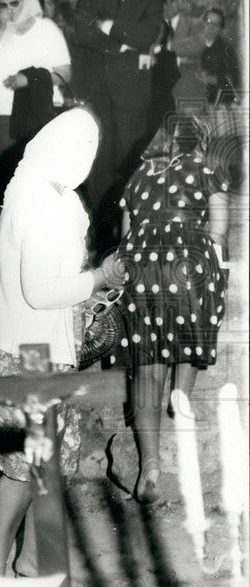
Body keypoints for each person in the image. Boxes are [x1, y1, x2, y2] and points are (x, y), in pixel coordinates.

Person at [0, 108, 126, 577]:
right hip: (27, 352)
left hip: (31, 344)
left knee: (43, 466)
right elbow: (40, 293)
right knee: (25, 468)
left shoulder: (45, 188)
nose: (87, 157)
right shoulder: (41, 204)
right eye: (82, 148)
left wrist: (94, 283)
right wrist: (100, 276)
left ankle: (32, 559)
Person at [114, 118, 229, 503]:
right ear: (197, 143)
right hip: (186, 263)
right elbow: (219, 229)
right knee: (196, 315)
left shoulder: (136, 176)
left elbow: (124, 233)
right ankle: (181, 392)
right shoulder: (207, 169)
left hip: (142, 265)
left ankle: (150, 464)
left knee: (146, 360)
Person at [74, 0, 164, 258]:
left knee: (129, 166)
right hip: (97, 94)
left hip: (132, 98)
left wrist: (108, 25)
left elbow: (147, 34)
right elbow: (82, 33)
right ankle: (101, 240)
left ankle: (129, 242)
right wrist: (122, 42)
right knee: (98, 168)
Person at [0, 0, 71, 206]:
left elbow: (65, 74)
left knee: (38, 187)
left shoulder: (46, 29)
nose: (9, 10)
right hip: (1, 116)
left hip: (39, 114)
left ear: (26, 0)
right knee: (2, 188)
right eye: (3, 4)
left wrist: (29, 80)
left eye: (14, 3)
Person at [147, 0, 203, 133]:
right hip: (159, 98)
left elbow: (197, 47)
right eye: (162, 0)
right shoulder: (151, 27)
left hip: (187, 94)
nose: (167, 3)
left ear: (181, 1)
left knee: (189, 143)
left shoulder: (195, 24)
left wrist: (166, 50)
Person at [199, 7, 240, 106]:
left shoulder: (226, 49)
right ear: (203, 22)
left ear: (220, 28)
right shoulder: (196, 43)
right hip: (197, 100)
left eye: (216, 24)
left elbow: (235, 78)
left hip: (219, 105)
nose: (211, 26)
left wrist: (214, 79)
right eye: (208, 21)